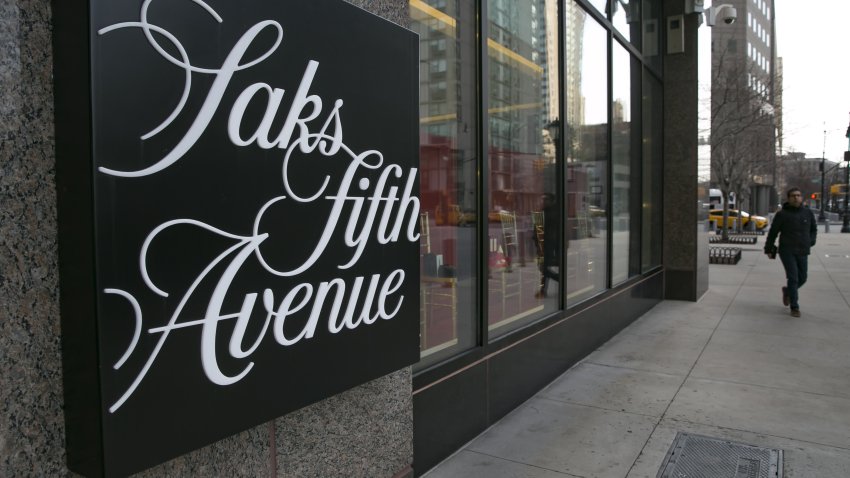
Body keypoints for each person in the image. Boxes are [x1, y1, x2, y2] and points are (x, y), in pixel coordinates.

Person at [764, 187, 817, 317]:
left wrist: (811, 241)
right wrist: (768, 249)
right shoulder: (782, 214)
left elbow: (813, 229)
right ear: (788, 198)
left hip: (803, 250)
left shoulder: (807, 213)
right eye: (793, 195)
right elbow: (773, 232)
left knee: (803, 278)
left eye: (798, 195)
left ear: (801, 198)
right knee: (793, 277)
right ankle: (795, 306)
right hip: (787, 250)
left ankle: (787, 291)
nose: (796, 197)